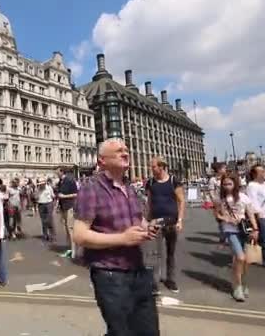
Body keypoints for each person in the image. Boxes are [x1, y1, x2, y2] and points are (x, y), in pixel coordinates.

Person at [73, 138, 160, 336]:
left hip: (138, 270)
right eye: (119, 150)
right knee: (122, 332)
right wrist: (123, 238)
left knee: (149, 331)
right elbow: (79, 235)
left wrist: (148, 228)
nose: (125, 153)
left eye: (126, 150)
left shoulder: (129, 187)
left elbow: (137, 222)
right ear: (102, 160)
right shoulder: (91, 187)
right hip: (110, 275)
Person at [212, 172, 259, 302]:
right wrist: (225, 218)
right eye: (224, 184)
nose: (227, 186)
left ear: (235, 184)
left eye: (230, 184)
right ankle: (237, 287)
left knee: (246, 260)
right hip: (230, 230)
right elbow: (216, 215)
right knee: (240, 257)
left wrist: (255, 229)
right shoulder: (219, 199)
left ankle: (243, 282)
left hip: (244, 230)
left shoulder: (243, 197)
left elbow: (250, 214)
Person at [145, 156, 185, 294]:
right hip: (156, 222)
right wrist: (147, 219)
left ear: (161, 167)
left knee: (170, 253)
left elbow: (181, 201)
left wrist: (180, 220)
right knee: (155, 254)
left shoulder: (174, 181)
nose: (152, 169)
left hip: (171, 222)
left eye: (153, 166)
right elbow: (149, 202)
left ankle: (170, 279)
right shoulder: (150, 182)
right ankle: (154, 283)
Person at [56, 167, 79, 259]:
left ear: (62, 172)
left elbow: (76, 194)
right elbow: (59, 194)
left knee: (70, 229)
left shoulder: (69, 180)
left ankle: (74, 251)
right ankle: (70, 249)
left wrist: (64, 196)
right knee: (66, 229)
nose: (56, 174)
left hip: (69, 206)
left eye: (57, 172)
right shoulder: (60, 182)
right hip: (63, 207)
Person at [37, 177, 56, 242]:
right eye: (40, 184)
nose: (41, 185)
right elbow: (36, 197)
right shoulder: (38, 189)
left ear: (45, 183)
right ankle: (45, 234)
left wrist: (54, 204)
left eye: (42, 183)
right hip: (41, 204)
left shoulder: (49, 188)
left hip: (48, 204)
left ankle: (52, 235)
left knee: (49, 219)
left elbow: (53, 196)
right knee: (43, 220)